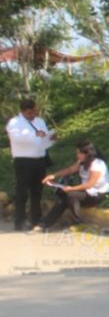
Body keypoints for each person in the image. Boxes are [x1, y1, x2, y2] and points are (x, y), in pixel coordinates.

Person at [37, 141, 109, 232]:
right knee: (62, 199)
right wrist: (54, 176)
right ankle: (44, 225)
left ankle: (78, 223)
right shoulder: (82, 162)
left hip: (96, 194)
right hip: (86, 192)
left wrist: (71, 189)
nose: (77, 155)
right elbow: (70, 170)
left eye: (78, 153)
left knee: (70, 195)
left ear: (87, 154)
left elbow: (90, 184)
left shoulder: (97, 165)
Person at [6, 99, 56, 231]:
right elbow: (17, 138)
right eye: (30, 112)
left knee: (37, 191)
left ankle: (36, 219)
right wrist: (35, 134)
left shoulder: (40, 121)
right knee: (22, 191)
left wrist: (50, 138)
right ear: (23, 111)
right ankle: (19, 220)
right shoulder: (15, 123)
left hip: (39, 159)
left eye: (34, 111)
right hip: (24, 160)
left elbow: (43, 138)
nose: (33, 114)